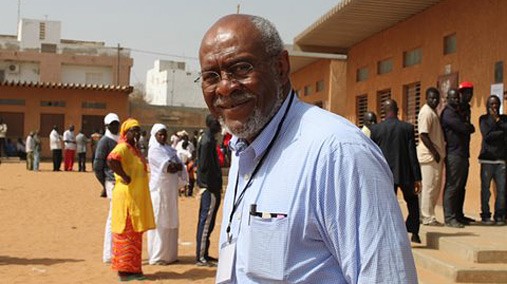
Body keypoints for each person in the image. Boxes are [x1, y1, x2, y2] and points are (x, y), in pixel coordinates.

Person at [198, 14, 417, 283]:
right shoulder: (244, 148)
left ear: (280, 67)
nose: (225, 87)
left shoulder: (338, 152)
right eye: (211, 76)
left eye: (241, 68)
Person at [107, 118, 155, 282]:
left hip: (136, 198)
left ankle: (133, 269)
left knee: (135, 234)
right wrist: (124, 176)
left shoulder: (133, 149)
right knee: (126, 233)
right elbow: (111, 159)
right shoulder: (122, 147)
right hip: (127, 198)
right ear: (125, 132)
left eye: (137, 130)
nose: (135, 133)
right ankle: (124, 271)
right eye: (133, 130)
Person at [370, 99, 422, 243]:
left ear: (383, 112)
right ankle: (414, 233)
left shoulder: (376, 130)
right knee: (412, 202)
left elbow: (373, 155)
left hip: (384, 175)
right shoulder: (407, 128)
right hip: (405, 173)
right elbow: (412, 154)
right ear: (398, 110)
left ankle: (387, 234)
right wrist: (417, 177)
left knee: (385, 205)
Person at [147, 123, 185, 265]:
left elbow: (180, 165)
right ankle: (158, 256)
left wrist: (177, 166)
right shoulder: (154, 150)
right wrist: (176, 166)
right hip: (159, 192)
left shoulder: (169, 150)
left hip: (170, 192)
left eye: (164, 134)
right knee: (160, 223)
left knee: (171, 222)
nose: (162, 137)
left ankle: (170, 255)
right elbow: (170, 167)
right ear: (154, 135)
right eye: (159, 134)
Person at [441, 88, 476, 228]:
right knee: (453, 185)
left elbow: (469, 127)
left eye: (457, 98)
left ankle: (458, 215)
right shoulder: (448, 113)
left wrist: (468, 125)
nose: (456, 100)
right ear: (447, 99)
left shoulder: (458, 111)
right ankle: (449, 217)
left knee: (461, 186)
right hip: (454, 154)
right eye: (453, 98)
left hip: (462, 153)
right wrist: (468, 126)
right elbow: (464, 128)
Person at [195, 114, 222, 267]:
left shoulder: (210, 139)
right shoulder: (206, 141)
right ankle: (200, 257)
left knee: (208, 223)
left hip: (212, 186)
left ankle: (204, 253)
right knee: (205, 222)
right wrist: (211, 184)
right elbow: (204, 166)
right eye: (217, 123)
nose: (219, 126)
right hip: (209, 187)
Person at [93, 113, 120, 263]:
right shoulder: (105, 142)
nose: (115, 126)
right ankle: (108, 253)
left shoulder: (119, 139)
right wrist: (104, 184)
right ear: (106, 126)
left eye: (116, 123)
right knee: (113, 217)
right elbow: (97, 166)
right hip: (112, 181)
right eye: (112, 124)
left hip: (120, 182)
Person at [417, 87, 446, 226]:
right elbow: (423, 134)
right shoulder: (426, 112)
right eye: (431, 98)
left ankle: (429, 215)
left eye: (436, 98)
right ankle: (427, 217)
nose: (434, 100)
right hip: (429, 157)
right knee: (429, 187)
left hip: (434, 157)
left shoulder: (433, 112)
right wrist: (434, 153)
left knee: (434, 186)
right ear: (426, 98)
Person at [478, 95, 507, 225]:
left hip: (501, 160)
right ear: (487, 106)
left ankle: (499, 215)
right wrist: (497, 125)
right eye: (491, 104)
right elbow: (487, 136)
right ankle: (485, 215)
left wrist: (497, 122)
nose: (494, 107)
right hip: (487, 160)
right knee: (485, 189)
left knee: (501, 189)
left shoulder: (505, 119)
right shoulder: (483, 119)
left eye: (496, 104)